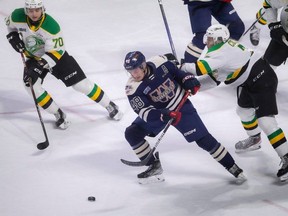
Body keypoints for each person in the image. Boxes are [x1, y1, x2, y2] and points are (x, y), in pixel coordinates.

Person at [181, 24, 288, 182]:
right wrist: (191, 88)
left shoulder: (222, 51)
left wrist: (181, 67)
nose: (207, 42)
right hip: (249, 81)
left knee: (265, 120)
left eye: (210, 39)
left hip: (261, 77)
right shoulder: (220, 50)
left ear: (218, 40)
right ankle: (255, 139)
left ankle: (286, 155)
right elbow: (213, 79)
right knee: (243, 112)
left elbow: (199, 69)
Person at [123, 51, 246, 184]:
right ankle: (154, 167)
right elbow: (144, 112)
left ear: (143, 65)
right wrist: (162, 115)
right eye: (130, 71)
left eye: (135, 70)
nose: (133, 74)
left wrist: (188, 80)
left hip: (181, 107)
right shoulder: (132, 88)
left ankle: (232, 166)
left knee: (204, 140)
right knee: (132, 133)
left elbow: (177, 73)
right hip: (160, 114)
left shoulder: (160, 62)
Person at [5, 0, 123, 129]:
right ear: (26, 10)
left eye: (37, 10)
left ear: (42, 9)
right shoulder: (17, 15)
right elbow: (10, 26)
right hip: (34, 57)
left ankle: (109, 104)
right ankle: (57, 113)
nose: (34, 14)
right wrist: (12, 36)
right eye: (31, 11)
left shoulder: (51, 26)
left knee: (81, 85)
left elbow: (57, 52)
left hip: (56, 56)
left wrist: (41, 64)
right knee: (30, 85)